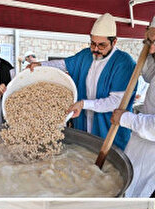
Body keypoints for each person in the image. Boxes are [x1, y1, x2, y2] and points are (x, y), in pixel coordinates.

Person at [27, 13, 137, 150]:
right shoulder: (86, 54)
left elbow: (117, 102)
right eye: (93, 44)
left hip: (109, 131)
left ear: (114, 42)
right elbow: (64, 64)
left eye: (101, 45)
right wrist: (41, 65)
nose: (95, 49)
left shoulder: (124, 63)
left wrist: (84, 104)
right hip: (84, 125)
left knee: (108, 166)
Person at [111, 21, 155, 197]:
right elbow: (148, 74)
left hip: (151, 155)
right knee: (126, 184)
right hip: (139, 145)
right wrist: (147, 45)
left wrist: (125, 119)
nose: (151, 49)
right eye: (150, 41)